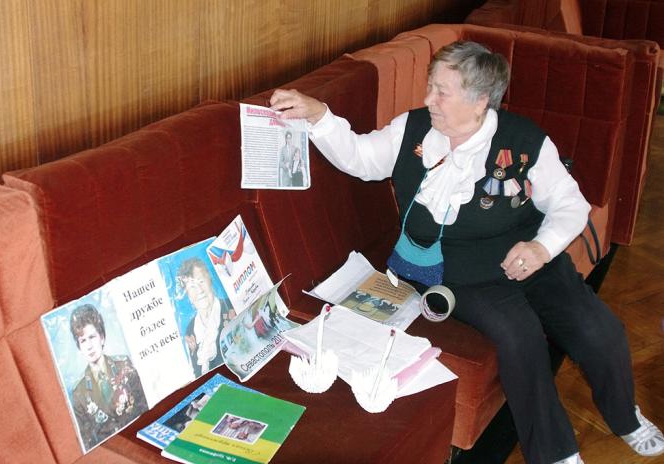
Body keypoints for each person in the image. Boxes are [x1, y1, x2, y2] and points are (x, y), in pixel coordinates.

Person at [269, 41, 664, 464]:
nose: (428, 100)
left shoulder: (525, 140)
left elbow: (571, 205)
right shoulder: (413, 129)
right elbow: (363, 159)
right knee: (520, 338)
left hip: (532, 257)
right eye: (430, 86)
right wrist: (320, 117)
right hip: (461, 271)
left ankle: (626, 417)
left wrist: (540, 248)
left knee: (598, 328)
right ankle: (554, 454)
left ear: (480, 101)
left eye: (441, 91)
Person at [70, 304, 148, 451]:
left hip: (139, 438)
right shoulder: (78, 391)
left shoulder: (124, 364)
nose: (89, 346)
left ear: (102, 337)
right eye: (83, 341)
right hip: (113, 450)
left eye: (92, 337)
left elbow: (144, 405)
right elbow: (87, 442)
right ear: (79, 347)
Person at [178, 258, 235, 377]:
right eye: (192, 287)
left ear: (210, 280)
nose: (199, 291)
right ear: (187, 294)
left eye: (201, 282)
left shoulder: (231, 308)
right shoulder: (190, 330)